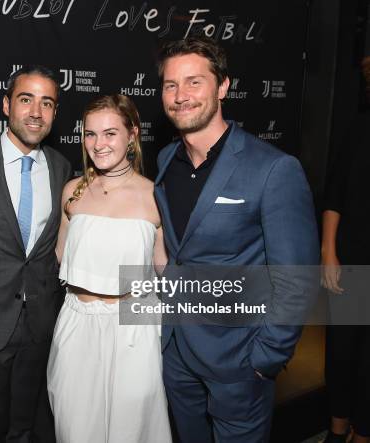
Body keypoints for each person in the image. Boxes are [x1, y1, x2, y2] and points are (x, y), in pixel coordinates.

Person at [154, 36, 319, 442]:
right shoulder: (164, 161)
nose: (180, 96)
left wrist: (266, 358)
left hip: (239, 361)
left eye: (194, 82)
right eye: (171, 85)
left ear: (223, 86)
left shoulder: (274, 169)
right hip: (177, 352)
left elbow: (297, 277)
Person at [0, 65, 71, 443]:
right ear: (7, 105)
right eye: (26, 99)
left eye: (47, 102)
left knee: (28, 426)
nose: (36, 111)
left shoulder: (61, 168)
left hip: (40, 324)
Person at [47, 94, 171, 443]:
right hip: (77, 324)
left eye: (110, 133)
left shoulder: (155, 197)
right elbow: (59, 258)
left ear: (132, 134)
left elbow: (164, 270)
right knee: (75, 428)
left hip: (134, 326)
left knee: (131, 430)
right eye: (90, 134)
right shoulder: (73, 192)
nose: (98, 144)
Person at [320, 57, 370, 443]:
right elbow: (334, 194)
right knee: (342, 349)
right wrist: (328, 252)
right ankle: (337, 432)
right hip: (351, 261)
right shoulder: (359, 129)